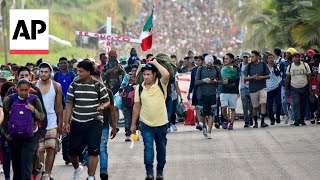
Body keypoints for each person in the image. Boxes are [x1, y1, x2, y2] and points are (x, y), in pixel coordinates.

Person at [64, 59, 117, 180]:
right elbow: (69, 104)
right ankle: (77, 169)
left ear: (88, 72)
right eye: (77, 71)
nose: (78, 73)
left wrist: (103, 106)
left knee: (94, 150)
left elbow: (107, 101)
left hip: (94, 121)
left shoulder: (98, 85)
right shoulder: (74, 84)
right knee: (72, 152)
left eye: (81, 71)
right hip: (77, 121)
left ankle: (91, 176)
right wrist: (66, 122)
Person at [130, 59, 170, 180]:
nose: (146, 77)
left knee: (161, 149)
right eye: (144, 74)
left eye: (149, 74)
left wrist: (155, 63)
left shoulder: (161, 84)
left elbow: (167, 74)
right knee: (148, 148)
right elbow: (137, 106)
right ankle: (149, 173)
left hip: (162, 123)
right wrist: (133, 124)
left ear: (154, 75)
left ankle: (159, 172)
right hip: (146, 124)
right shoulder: (139, 88)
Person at [1, 79, 45, 180]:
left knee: (26, 165)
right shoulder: (9, 100)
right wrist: (7, 134)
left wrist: (33, 110)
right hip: (14, 137)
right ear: (17, 89)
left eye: (26, 90)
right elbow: (3, 118)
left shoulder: (34, 100)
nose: (24, 92)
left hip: (31, 137)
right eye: (21, 90)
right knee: (16, 168)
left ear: (30, 89)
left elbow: (42, 116)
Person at [35, 62, 63, 180]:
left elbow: (59, 107)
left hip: (52, 121)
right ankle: (41, 172)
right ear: (38, 72)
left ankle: (47, 173)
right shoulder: (33, 86)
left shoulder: (56, 86)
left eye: (46, 72)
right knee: (40, 150)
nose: (43, 74)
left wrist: (60, 124)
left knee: (51, 148)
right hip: (37, 123)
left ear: (50, 73)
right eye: (41, 72)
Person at [91, 70, 118, 180]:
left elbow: (112, 110)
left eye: (97, 79)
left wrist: (114, 127)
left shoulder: (107, 91)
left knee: (102, 148)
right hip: (89, 125)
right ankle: (91, 174)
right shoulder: (86, 92)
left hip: (103, 125)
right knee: (89, 150)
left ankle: (103, 171)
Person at [195, 55, 222, 139]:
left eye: (210, 63)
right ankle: (204, 127)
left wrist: (215, 81)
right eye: (207, 63)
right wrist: (203, 80)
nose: (209, 65)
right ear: (205, 62)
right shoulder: (200, 69)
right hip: (202, 94)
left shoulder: (217, 69)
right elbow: (196, 82)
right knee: (203, 114)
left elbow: (220, 81)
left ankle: (209, 132)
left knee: (211, 113)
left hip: (212, 94)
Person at [244, 50, 270, 128]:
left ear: (258, 57)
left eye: (253, 56)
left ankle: (262, 121)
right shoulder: (249, 66)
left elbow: (268, 76)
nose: (251, 58)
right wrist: (252, 77)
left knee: (263, 103)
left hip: (262, 87)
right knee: (254, 106)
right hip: (253, 88)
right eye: (251, 57)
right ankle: (255, 122)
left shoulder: (263, 64)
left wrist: (261, 77)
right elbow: (244, 78)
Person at [285, 52, 311, 126]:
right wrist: (286, 90)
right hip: (294, 88)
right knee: (296, 104)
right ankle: (297, 120)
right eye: (295, 57)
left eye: (298, 57)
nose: (297, 58)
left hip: (304, 87)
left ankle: (302, 120)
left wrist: (309, 88)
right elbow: (287, 79)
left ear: (300, 58)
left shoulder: (305, 65)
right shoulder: (290, 66)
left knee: (303, 104)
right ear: (293, 58)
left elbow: (309, 76)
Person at [220, 53, 240, 130]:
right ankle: (225, 120)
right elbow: (220, 78)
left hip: (233, 91)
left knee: (232, 108)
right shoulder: (222, 68)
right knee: (224, 107)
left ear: (232, 59)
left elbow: (237, 78)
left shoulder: (236, 68)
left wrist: (229, 80)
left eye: (227, 58)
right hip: (224, 91)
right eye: (225, 59)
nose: (225, 60)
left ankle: (231, 123)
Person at [120, 65, 138, 141]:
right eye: (133, 71)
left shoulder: (140, 79)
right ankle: (127, 134)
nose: (134, 72)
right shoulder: (127, 78)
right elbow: (122, 87)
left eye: (135, 71)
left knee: (136, 119)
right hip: (126, 102)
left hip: (136, 103)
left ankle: (135, 134)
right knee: (127, 119)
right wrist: (121, 91)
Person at [188, 56, 205, 130]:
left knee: (203, 107)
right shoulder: (194, 70)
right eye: (196, 61)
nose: (197, 62)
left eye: (199, 60)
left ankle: (204, 122)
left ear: (203, 61)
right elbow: (192, 82)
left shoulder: (205, 69)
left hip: (205, 91)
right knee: (197, 107)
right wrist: (189, 92)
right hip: (196, 91)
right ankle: (200, 123)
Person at [266, 54, 282, 125]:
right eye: (269, 58)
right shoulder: (265, 67)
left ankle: (278, 116)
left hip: (277, 87)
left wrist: (275, 67)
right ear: (267, 60)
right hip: (268, 89)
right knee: (270, 105)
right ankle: (272, 119)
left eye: (272, 58)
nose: (271, 59)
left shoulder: (277, 66)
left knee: (279, 103)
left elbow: (278, 74)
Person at [239, 52, 253, 127]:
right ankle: (246, 121)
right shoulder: (239, 66)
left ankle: (251, 117)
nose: (245, 59)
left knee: (251, 105)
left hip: (251, 87)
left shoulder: (251, 66)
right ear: (242, 58)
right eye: (244, 57)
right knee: (244, 105)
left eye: (247, 57)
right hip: (243, 88)